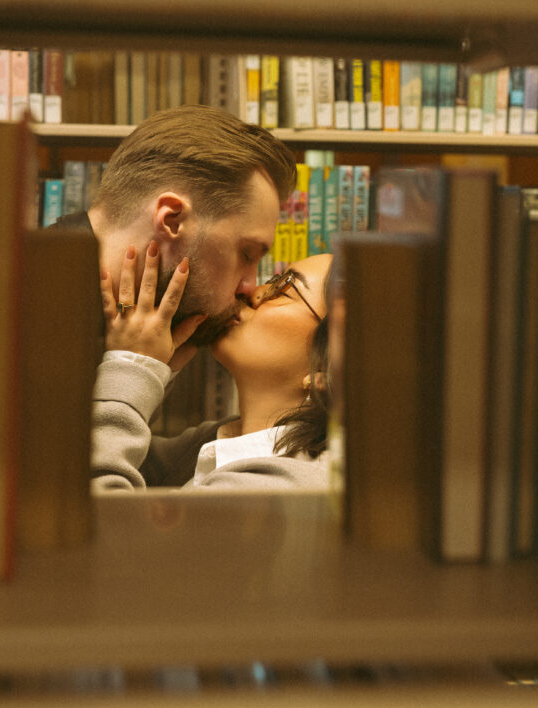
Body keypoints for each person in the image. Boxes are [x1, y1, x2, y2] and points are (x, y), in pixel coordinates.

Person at [55, 105, 297, 359]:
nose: (250, 287)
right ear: (172, 220)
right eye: (246, 254)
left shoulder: (111, 326)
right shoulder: (24, 319)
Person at [92, 247, 333, 491]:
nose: (252, 293)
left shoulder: (285, 483)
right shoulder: (219, 440)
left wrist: (132, 365)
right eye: (273, 280)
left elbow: (95, 513)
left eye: (283, 288)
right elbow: (97, 461)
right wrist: (153, 370)